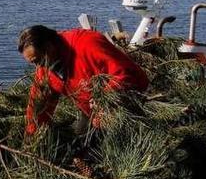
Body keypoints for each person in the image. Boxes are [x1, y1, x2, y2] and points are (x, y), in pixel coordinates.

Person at [17, 25, 149, 136]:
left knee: (100, 146)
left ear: (48, 46)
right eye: (34, 63)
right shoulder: (45, 67)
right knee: (77, 142)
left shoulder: (88, 44)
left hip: (129, 102)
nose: (38, 66)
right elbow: (39, 105)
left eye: (37, 60)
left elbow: (125, 74)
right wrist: (31, 138)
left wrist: (104, 97)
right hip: (90, 110)